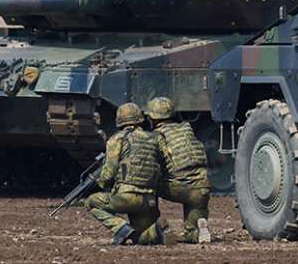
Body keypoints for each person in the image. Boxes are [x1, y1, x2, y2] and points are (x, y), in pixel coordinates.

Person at [84, 102, 173, 245]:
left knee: (91, 202)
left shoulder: (117, 139)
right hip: (149, 200)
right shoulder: (155, 138)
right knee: (141, 238)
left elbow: (109, 173)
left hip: (126, 197)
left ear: (119, 120)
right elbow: (166, 164)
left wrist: (99, 182)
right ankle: (157, 229)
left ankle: (120, 228)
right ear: (139, 119)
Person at [147, 97, 212, 244]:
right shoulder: (186, 129)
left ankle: (154, 226)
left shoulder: (157, 136)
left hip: (179, 188)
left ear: (152, 118)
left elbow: (152, 168)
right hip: (202, 188)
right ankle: (199, 229)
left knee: (147, 183)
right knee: (191, 234)